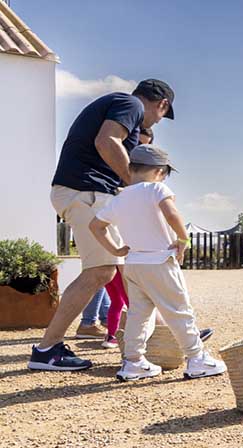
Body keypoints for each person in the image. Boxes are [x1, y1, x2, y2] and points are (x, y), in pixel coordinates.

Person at [29, 79, 175, 371]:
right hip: (85, 192)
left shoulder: (122, 107)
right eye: (162, 114)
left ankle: (168, 333)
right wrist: (136, 187)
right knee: (101, 271)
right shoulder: (130, 104)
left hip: (90, 192)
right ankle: (46, 350)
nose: (158, 121)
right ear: (161, 104)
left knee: (130, 265)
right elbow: (106, 141)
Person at [88, 144, 227, 380]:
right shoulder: (157, 189)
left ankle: (132, 362)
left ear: (131, 169)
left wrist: (116, 249)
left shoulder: (119, 198)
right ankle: (196, 358)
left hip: (133, 264)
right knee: (179, 310)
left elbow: (96, 226)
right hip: (159, 260)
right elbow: (172, 213)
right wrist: (183, 239)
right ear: (160, 171)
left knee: (138, 315)